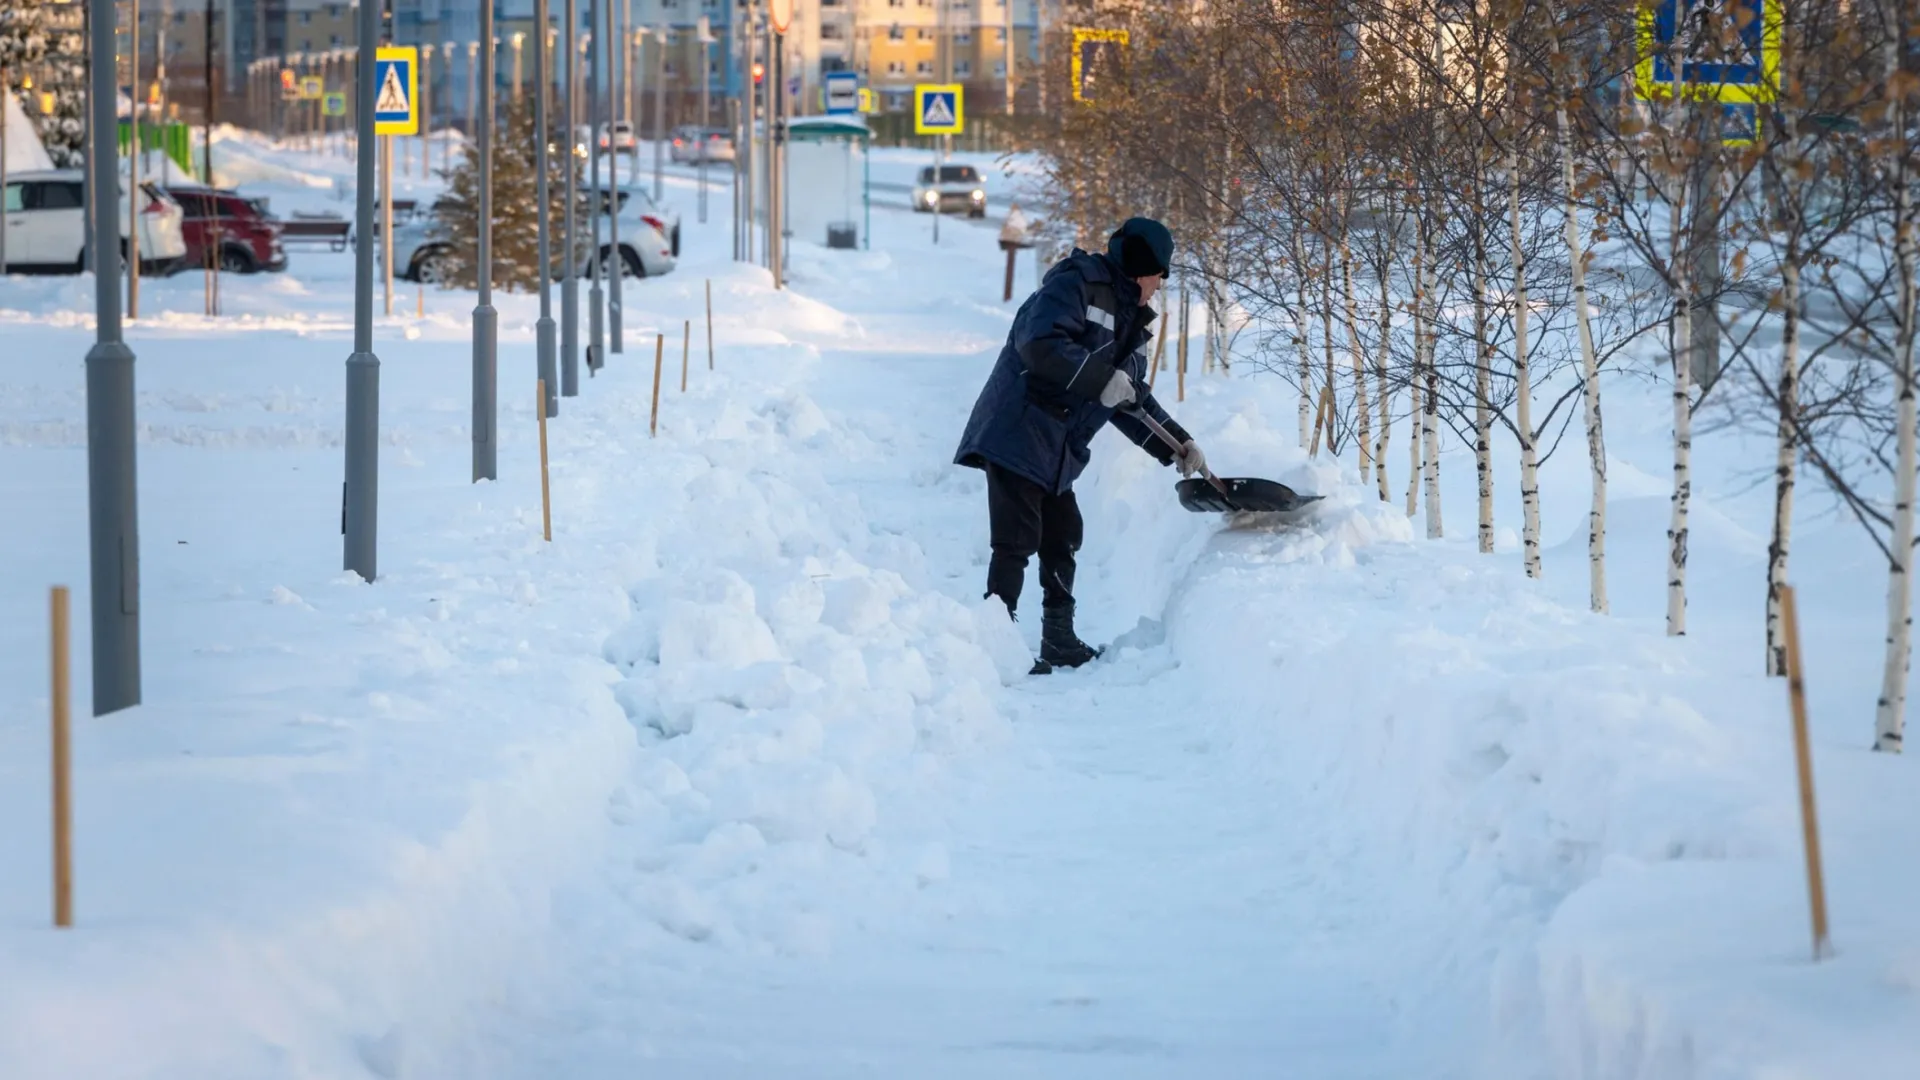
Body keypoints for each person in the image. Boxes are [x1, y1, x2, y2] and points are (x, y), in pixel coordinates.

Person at [954, 217, 1207, 673]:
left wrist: (1178, 445)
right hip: (1019, 428)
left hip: (1057, 446)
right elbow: (1039, 342)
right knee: (1016, 539)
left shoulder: (1135, 325)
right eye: (1158, 274)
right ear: (1140, 266)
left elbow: (1130, 399)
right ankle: (996, 644)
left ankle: (1059, 639)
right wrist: (1100, 378)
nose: (1159, 285)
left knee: (1063, 533)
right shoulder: (1077, 284)